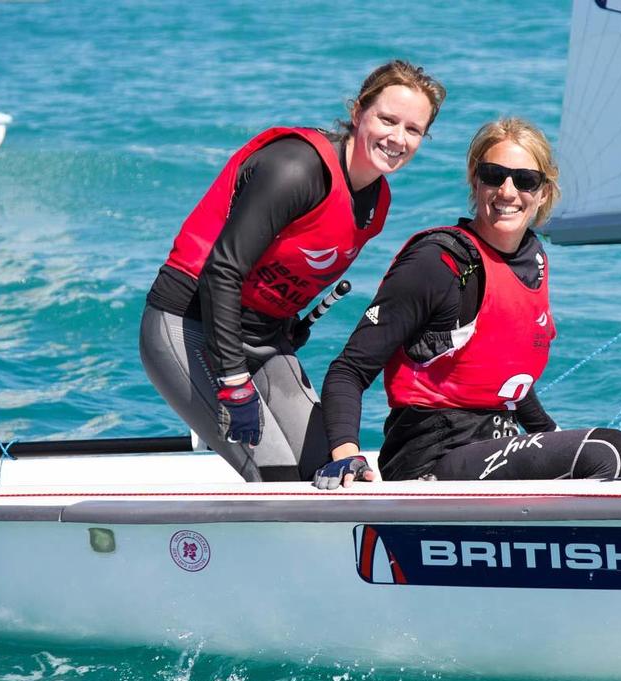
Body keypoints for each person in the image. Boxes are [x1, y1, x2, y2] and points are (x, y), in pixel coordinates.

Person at [140, 60, 446, 483]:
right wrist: (233, 381)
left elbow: (281, 271)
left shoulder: (376, 204)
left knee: (329, 471)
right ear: (359, 113)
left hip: (262, 339)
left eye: (413, 130)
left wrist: (282, 324)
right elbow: (223, 272)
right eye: (387, 119)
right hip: (187, 323)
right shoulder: (295, 170)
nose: (397, 138)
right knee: (276, 476)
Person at [318, 117, 621, 487]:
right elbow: (349, 370)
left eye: (525, 180)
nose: (508, 191)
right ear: (475, 180)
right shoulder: (438, 262)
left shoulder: (532, 261)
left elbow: (505, 378)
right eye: (494, 175)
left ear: (543, 193)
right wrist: (346, 455)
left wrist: (550, 435)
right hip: (431, 459)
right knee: (610, 450)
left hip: (497, 447)